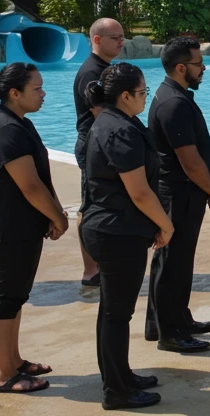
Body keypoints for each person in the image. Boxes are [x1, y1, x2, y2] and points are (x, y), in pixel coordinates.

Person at [81, 62, 171, 410]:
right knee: (117, 315)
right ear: (125, 95)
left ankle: (120, 375)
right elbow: (139, 192)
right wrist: (166, 224)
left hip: (113, 229)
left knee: (113, 312)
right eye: (143, 92)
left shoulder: (114, 121)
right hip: (116, 232)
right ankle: (116, 391)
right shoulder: (119, 130)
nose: (145, 98)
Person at [0, 63, 68, 394]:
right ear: (15, 93)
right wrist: (58, 216)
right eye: (37, 89)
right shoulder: (7, 130)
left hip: (20, 226)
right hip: (5, 228)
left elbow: (40, 175)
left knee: (15, 297)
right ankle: (3, 374)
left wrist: (52, 212)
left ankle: (13, 361)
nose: (44, 94)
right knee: (5, 299)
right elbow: (29, 185)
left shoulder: (20, 124)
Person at [144, 38, 210, 353]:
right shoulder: (172, 103)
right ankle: (170, 332)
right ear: (180, 67)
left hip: (183, 192)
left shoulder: (175, 96)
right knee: (172, 262)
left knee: (177, 260)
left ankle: (171, 320)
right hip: (177, 194)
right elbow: (189, 162)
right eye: (198, 63)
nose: (203, 68)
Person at [75, 19, 125, 287]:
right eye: (115, 37)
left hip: (100, 143)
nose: (121, 42)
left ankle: (98, 264)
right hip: (93, 145)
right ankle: (90, 268)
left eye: (122, 37)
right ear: (96, 39)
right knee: (90, 206)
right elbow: (100, 113)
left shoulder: (106, 69)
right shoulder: (91, 73)